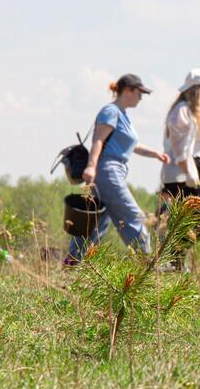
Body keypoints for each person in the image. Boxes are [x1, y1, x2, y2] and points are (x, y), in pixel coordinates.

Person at [64, 74, 170, 266]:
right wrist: (91, 166)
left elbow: (133, 145)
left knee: (96, 222)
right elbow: (98, 140)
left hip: (114, 171)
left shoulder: (123, 115)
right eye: (139, 93)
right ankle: (148, 264)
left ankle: (73, 263)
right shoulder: (111, 111)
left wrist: (156, 154)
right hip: (107, 171)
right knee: (133, 215)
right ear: (128, 90)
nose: (141, 97)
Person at [159, 69, 200, 237]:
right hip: (182, 175)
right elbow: (181, 150)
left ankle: (175, 257)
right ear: (195, 90)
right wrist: (190, 175)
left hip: (191, 172)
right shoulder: (182, 111)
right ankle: (172, 255)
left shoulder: (194, 111)